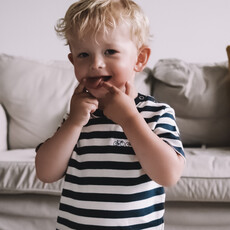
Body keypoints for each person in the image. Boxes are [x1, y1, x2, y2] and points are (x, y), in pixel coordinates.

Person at [35, 0, 185, 229]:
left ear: (139, 59)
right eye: (83, 54)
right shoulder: (79, 117)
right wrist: (74, 122)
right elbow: (45, 173)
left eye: (110, 51)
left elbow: (168, 175)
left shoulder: (156, 114)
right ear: (72, 60)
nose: (96, 64)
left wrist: (130, 119)